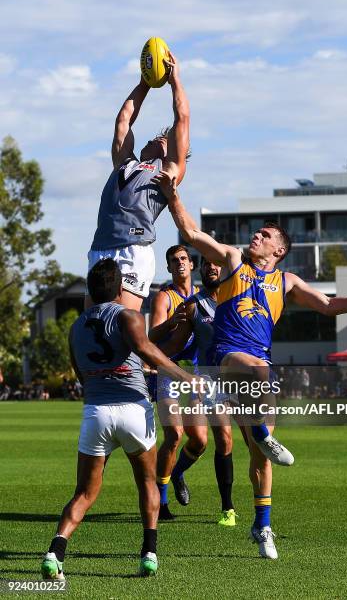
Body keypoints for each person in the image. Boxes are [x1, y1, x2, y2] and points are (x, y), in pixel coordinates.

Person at [153, 172, 347, 559]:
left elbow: (329, 306)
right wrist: (172, 194)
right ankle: (263, 432)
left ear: (279, 249)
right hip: (226, 357)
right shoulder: (233, 260)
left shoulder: (287, 280)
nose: (256, 237)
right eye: (257, 233)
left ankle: (262, 525)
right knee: (259, 371)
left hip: (256, 364)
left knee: (261, 455)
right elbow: (192, 234)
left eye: (265, 236)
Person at [41, 259, 202, 580]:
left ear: (91, 290)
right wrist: (187, 376)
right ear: (120, 289)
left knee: (84, 493)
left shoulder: (76, 328)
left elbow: (81, 375)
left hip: (96, 413)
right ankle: (149, 553)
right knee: (146, 482)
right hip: (132, 410)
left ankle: (54, 552)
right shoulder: (128, 316)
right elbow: (147, 351)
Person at [86, 51, 190, 312]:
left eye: (160, 139)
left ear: (168, 149)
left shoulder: (169, 168)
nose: (152, 139)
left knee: (122, 324)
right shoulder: (124, 162)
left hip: (133, 248)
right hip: (101, 246)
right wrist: (146, 81)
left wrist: (174, 80)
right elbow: (123, 120)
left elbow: (182, 120)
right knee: (91, 325)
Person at [160, 256, 237, 526]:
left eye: (217, 264)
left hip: (234, 379)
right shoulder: (192, 305)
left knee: (226, 439)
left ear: (226, 268)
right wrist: (147, 355)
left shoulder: (238, 298)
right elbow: (175, 343)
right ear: (201, 269)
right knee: (197, 439)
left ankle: (227, 508)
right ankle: (177, 474)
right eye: (206, 264)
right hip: (204, 379)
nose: (211, 268)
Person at [148, 245, 206, 520]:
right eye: (174, 260)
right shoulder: (164, 297)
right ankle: (161, 501)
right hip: (169, 372)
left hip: (194, 375)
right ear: (169, 268)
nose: (179, 263)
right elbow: (151, 334)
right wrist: (172, 322)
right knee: (174, 435)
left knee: (200, 441)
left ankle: (178, 472)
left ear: (191, 264)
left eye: (183, 259)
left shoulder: (204, 296)